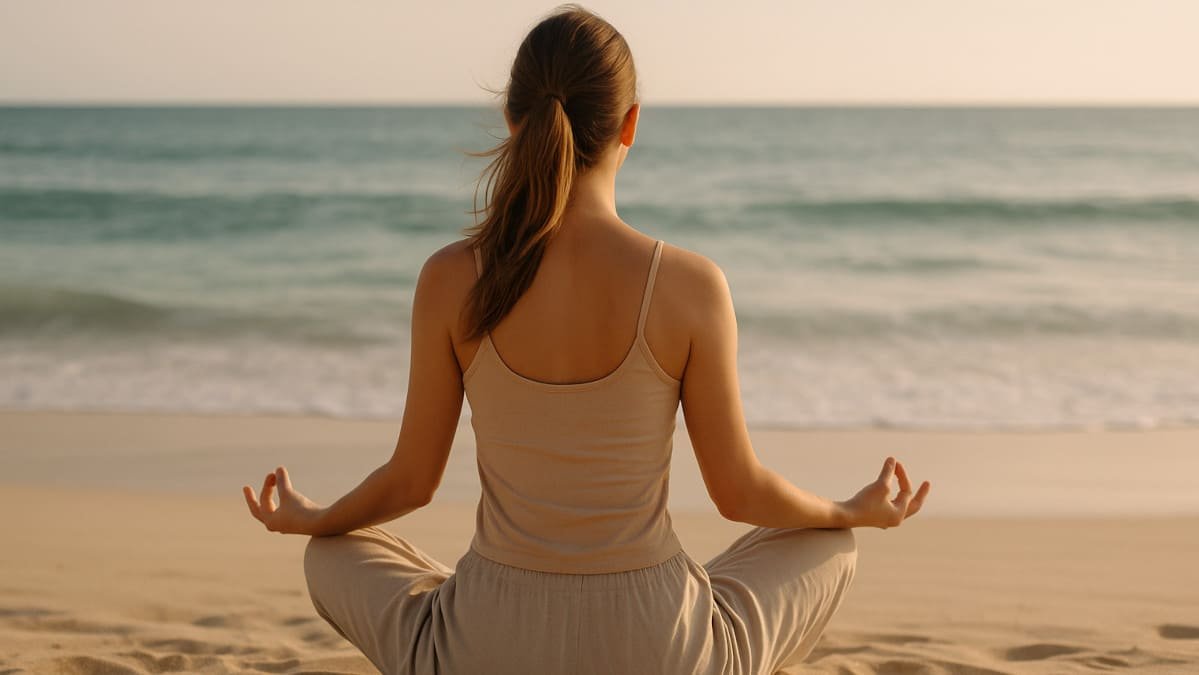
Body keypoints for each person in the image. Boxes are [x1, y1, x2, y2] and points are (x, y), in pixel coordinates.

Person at [242, 4, 931, 674]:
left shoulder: (451, 278)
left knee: (330, 552)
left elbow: (411, 481)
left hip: (484, 643)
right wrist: (850, 509)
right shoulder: (689, 284)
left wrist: (318, 516)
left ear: (513, 119)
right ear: (630, 124)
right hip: (659, 645)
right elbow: (738, 492)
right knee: (830, 543)